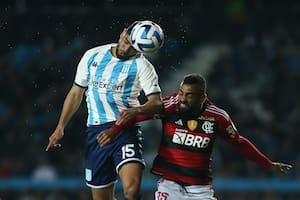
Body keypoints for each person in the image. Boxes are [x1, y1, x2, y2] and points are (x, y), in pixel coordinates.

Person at [97, 73, 292, 200]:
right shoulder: (169, 106)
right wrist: (113, 131)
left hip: (200, 189)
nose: (182, 98)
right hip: (170, 184)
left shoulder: (218, 117)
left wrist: (268, 164)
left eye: (188, 95)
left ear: (202, 98)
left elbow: (239, 143)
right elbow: (135, 114)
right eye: (181, 92)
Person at [46, 21, 163, 200]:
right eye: (126, 40)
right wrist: (60, 126)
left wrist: (135, 111)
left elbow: (157, 103)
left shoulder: (142, 66)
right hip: (96, 133)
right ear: (123, 32)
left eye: (132, 46)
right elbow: (76, 93)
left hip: (125, 130)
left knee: (131, 191)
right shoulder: (93, 55)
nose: (126, 47)